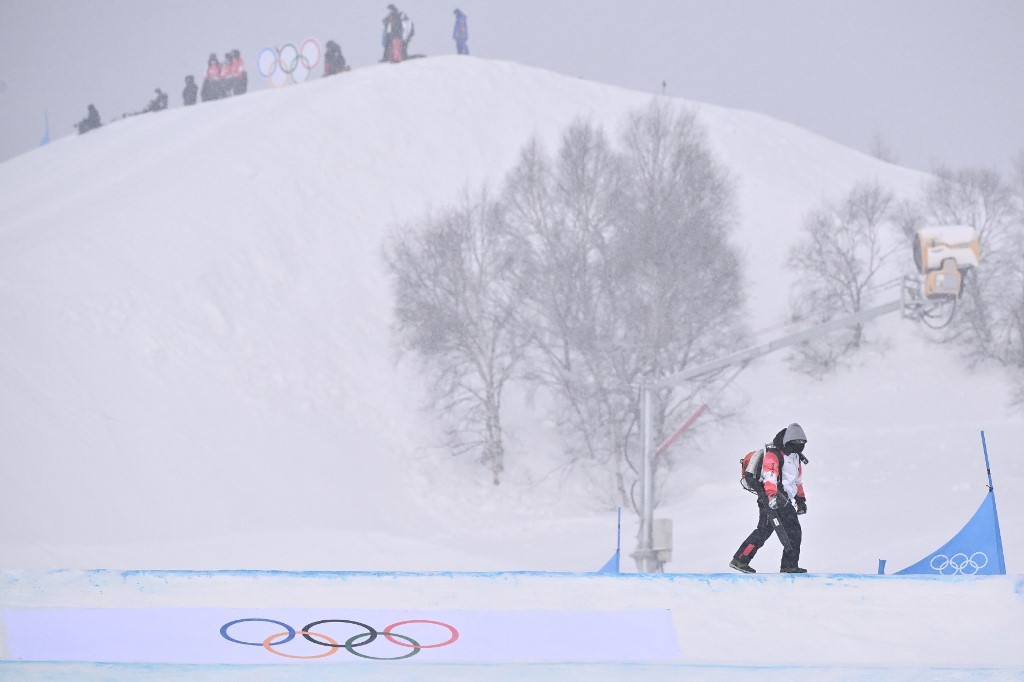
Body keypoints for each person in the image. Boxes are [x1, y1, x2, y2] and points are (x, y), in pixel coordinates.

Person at [730, 423, 809, 574]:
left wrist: (801, 500)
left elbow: (797, 481)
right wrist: (772, 496)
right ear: (788, 442)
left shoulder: (796, 457)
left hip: (784, 499)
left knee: (793, 531)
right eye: (795, 444)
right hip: (770, 498)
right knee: (765, 530)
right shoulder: (774, 455)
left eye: (801, 444)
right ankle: (740, 559)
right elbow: (770, 477)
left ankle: (789, 565)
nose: (798, 447)